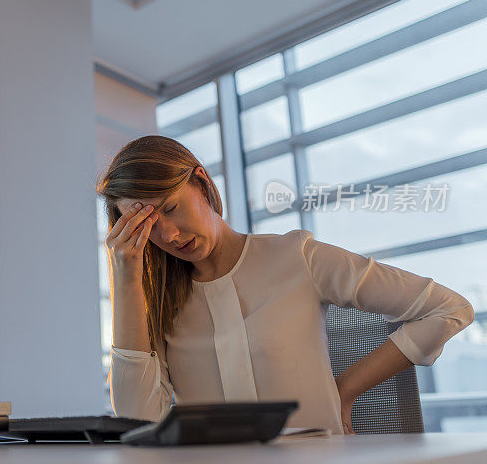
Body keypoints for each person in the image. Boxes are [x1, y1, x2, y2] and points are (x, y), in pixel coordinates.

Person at [96, 135, 474, 435]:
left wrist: (345, 389)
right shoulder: (155, 304)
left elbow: (449, 308)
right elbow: (137, 423)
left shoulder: (297, 257)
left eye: (170, 207)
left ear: (200, 182)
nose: (169, 234)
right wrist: (126, 277)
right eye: (144, 224)